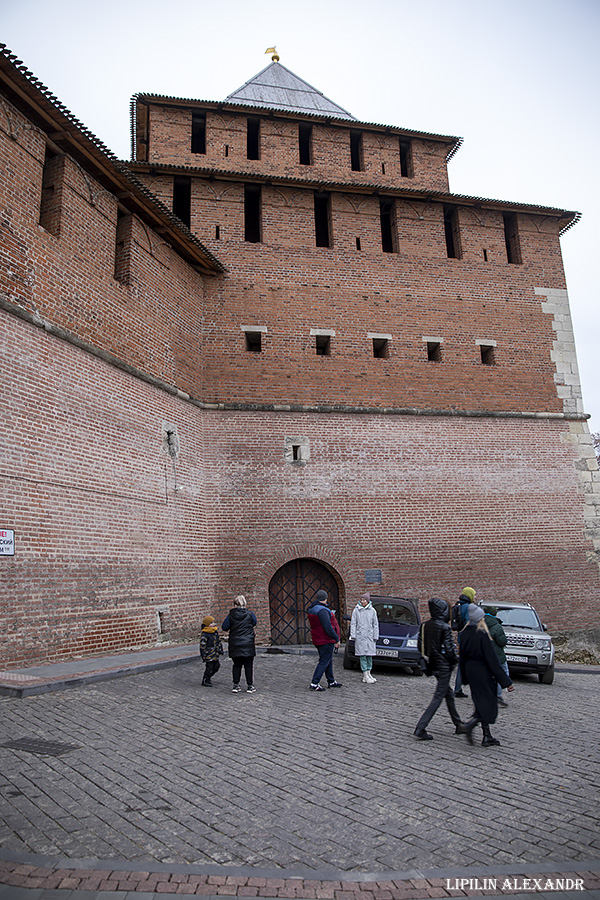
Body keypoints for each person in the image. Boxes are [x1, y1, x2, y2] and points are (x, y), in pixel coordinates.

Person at [457, 605, 514, 746]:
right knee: (488, 705)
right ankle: (470, 725)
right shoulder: (481, 634)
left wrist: (464, 677)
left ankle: (487, 735)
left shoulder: (464, 633)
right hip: (483, 673)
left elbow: (462, 658)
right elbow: (492, 660)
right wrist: (506, 682)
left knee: (480, 703)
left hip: (471, 673)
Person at [414, 598, 464, 740]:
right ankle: (421, 727)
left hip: (432, 665)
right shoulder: (444, 627)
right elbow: (449, 650)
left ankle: (458, 723)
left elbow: (420, 646)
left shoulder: (425, 625)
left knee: (448, 694)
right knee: (438, 697)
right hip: (443, 666)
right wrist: (456, 660)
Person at [307, 589, 342, 691]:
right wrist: (336, 638)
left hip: (318, 638)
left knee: (328, 660)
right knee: (324, 661)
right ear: (326, 598)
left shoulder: (313, 608)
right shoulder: (322, 610)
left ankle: (331, 681)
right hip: (325, 639)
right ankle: (314, 682)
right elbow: (328, 627)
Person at [221, 595, 257, 693]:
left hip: (235, 643)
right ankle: (250, 685)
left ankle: (236, 685)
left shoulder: (231, 615)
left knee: (236, 665)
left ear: (234, 604)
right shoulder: (250, 614)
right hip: (248, 643)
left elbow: (224, 627)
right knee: (248, 666)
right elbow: (254, 623)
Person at [452, 586, 476, 697]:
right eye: (474, 594)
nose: (475, 597)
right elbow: (468, 623)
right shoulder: (468, 607)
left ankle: (458, 689)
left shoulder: (459, 605)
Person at [350, 592, 379, 683]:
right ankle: (365, 674)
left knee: (369, 655)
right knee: (362, 655)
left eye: (364, 600)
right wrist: (353, 635)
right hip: (361, 636)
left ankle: (369, 673)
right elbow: (353, 623)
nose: (362, 601)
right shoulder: (356, 610)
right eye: (361, 600)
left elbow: (375, 624)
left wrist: (375, 635)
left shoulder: (372, 611)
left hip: (369, 636)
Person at [484, 605, 509, 707]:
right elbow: (502, 642)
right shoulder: (497, 626)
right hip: (497, 655)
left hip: (484, 655)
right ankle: (497, 695)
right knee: (502, 673)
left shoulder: (480, 624)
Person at [199, 615, 224, 687]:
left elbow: (218, 642)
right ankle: (206, 679)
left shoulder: (215, 632)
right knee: (209, 668)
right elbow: (202, 646)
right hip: (209, 654)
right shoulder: (205, 634)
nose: (213, 624)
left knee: (216, 666)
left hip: (215, 653)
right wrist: (203, 655)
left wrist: (220, 649)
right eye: (211, 623)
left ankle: (209, 677)